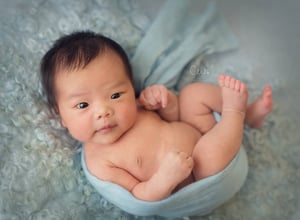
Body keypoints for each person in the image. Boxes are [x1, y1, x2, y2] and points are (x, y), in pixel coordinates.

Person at [40, 31, 273, 202]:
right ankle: (234, 113)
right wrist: (165, 178)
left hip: (197, 128)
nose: (103, 111)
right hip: (199, 175)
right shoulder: (99, 161)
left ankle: (249, 115)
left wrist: (167, 103)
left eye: (115, 94)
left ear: (131, 87)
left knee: (193, 94)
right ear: (60, 115)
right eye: (82, 104)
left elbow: (172, 120)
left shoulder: (137, 109)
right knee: (207, 155)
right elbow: (139, 196)